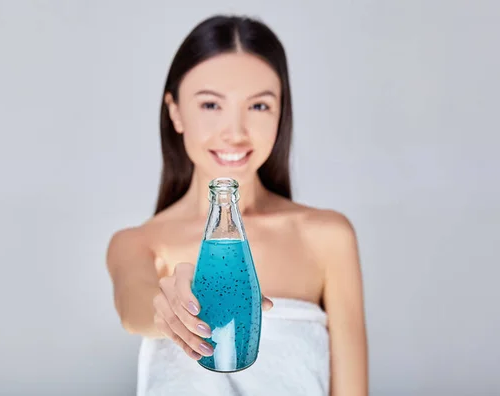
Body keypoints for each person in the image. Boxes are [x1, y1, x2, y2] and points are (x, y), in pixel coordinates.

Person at [106, 14, 368, 396]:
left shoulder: (328, 237)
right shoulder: (136, 244)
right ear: (175, 111)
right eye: (211, 105)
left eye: (259, 107)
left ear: (281, 113)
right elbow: (135, 308)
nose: (236, 132)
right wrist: (169, 309)